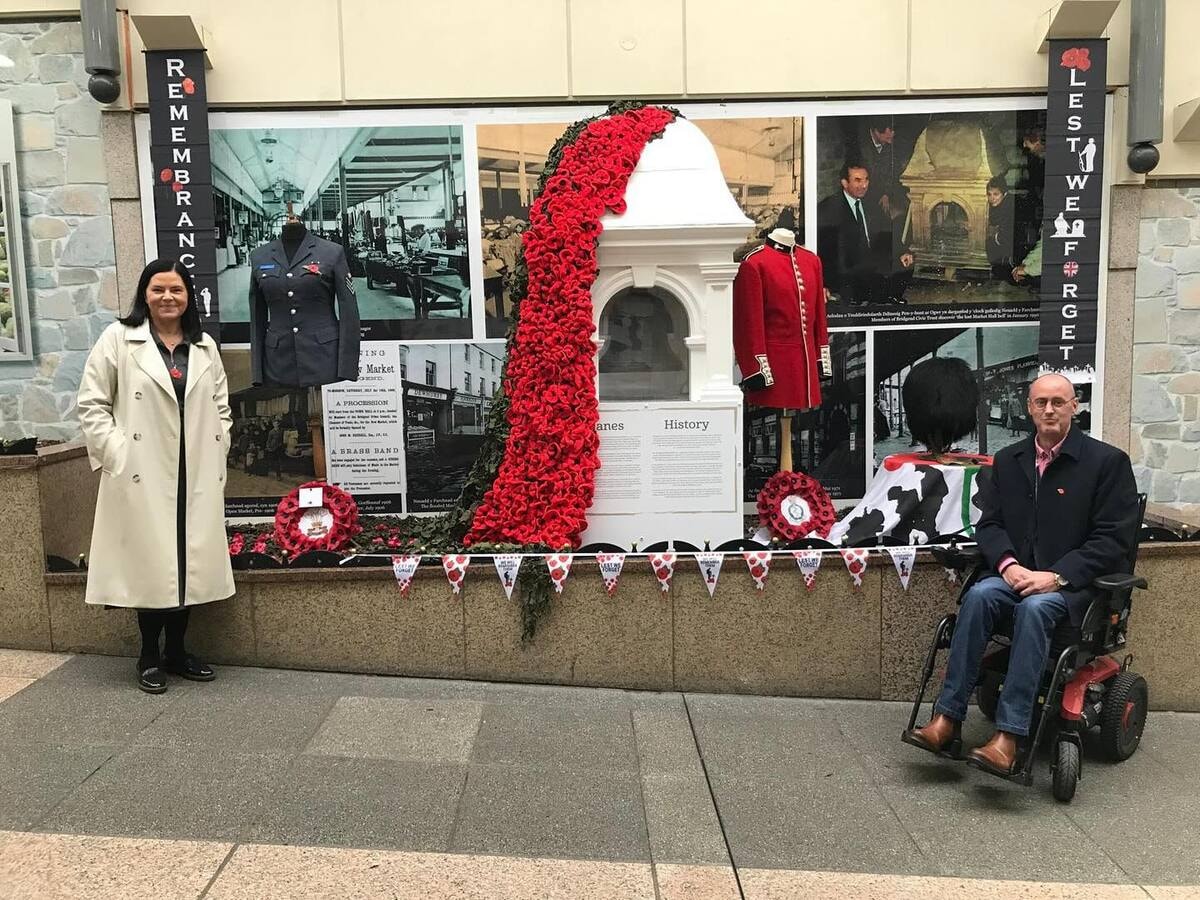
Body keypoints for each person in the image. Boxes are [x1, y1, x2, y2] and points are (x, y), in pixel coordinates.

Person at [904, 373, 1139, 775]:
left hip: (1071, 588)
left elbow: (1113, 541)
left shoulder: (1107, 463)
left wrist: (1056, 577)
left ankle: (1009, 738)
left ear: (1074, 407)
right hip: (1016, 576)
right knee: (979, 595)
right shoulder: (1009, 462)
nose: (1049, 410)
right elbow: (990, 525)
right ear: (1028, 408)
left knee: (1035, 609)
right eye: (1041, 402)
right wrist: (1009, 566)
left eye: (1058, 402)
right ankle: (947, 718)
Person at [77, 260, 235, 694]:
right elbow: (92, 404)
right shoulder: (119, 339)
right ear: (144, 295)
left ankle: (178, 650)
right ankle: (149, 653)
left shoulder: (203, 347)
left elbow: (221, 406)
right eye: (158, 289)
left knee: (188, 563)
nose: (168, 298)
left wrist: (218, 447)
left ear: (188, 298)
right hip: (141, 472)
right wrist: (117, 454)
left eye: (177, 290)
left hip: (194, 471)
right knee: (152, 565)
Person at [817, 163, 914, 306]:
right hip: (847, 268)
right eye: (857, 180)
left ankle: (887, 296)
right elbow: (824, 250)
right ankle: (877, 297)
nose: (864, 185)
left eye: (866, 179)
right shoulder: (830, 207)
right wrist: (823, 284)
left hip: (871, 261)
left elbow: (886, 232)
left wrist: (902, 252)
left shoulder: (871, 202)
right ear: (844, 183)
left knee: (906, 263)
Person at [984, 176, 1017, 281]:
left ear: (1004, 193)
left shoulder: (1010, 205)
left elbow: (1008, 234)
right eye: (989, 194)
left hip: (1013, 245)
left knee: (990, 242)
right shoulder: (995, 204)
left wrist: (995, 235)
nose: (992, 198)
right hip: (1002, 240)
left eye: (996, 194)